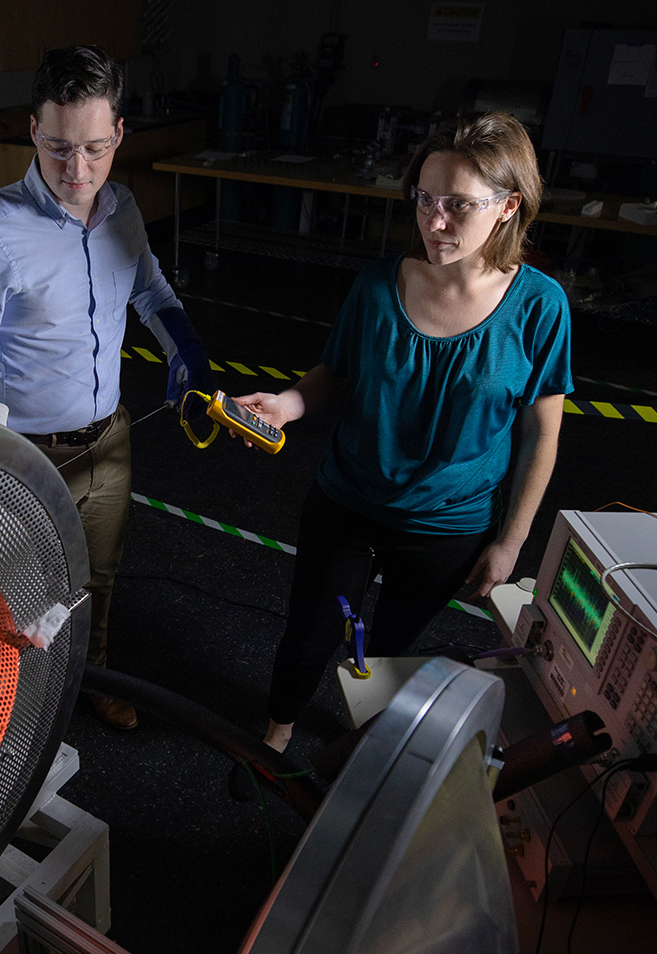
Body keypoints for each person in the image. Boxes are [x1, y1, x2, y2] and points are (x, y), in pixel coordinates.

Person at [234, 112, 571, 753]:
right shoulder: (377, 287)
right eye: (424, 199)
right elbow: (335, 374)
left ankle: (360, 745)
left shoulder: (539, 306)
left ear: (507, 207)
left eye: (458, 206)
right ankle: (275, 734)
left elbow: (541, 434)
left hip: (449, 526)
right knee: (308, 637)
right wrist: (287, 404)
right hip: (349, 503)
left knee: (387, 652)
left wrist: (511, 541)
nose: (434, 221)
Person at [0, 45, 215, 730]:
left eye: (95, 148)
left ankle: (94, 679)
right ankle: (12, 720)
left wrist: (189, 352)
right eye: (59, 148)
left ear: (119, 134)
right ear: (33, 130)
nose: (78, 171)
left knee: (100, 578)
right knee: (15, 595)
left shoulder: (118, 207)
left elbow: (149, 288)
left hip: (111, 440)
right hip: (28, 452)